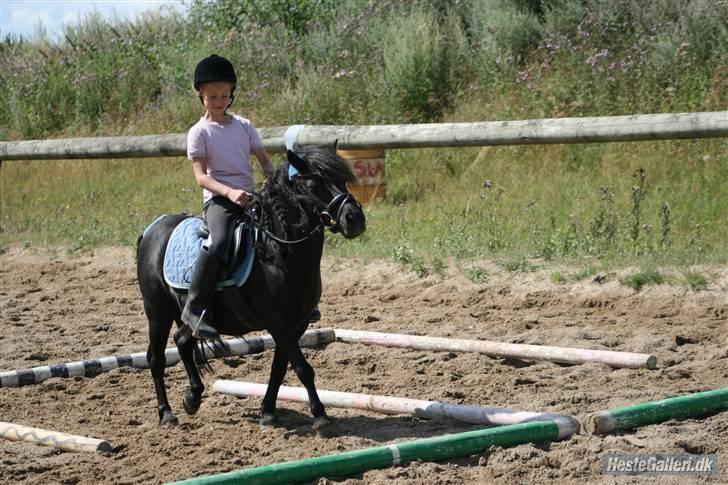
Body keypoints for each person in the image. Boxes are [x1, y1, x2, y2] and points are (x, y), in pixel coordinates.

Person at [182, 54, 275, 340]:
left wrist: (276, 180)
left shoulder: (244, 126)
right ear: (201, 95)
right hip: (219, 200)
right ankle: (195, 307)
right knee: (219, 241)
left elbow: (264, 161)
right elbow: (201, 177)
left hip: (250, 196)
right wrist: (229, 192)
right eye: (213, 97)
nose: (219, 101)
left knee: (283, 232)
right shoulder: (199, 132)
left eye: (224, 95)